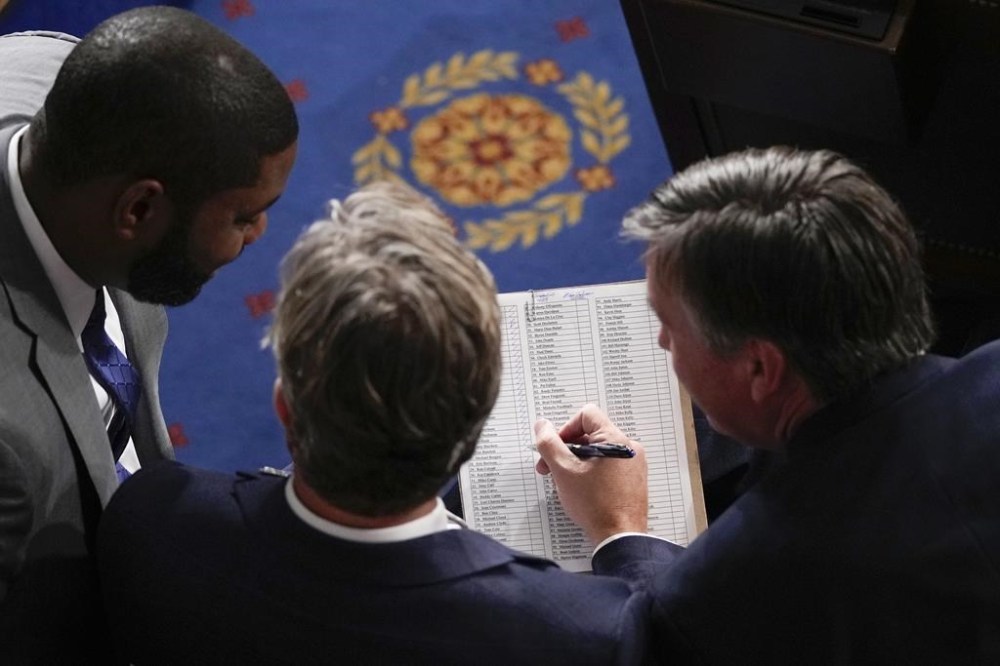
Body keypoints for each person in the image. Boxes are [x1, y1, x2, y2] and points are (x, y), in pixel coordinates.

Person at [97, 181, 655, 665]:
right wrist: (621, 529)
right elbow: (665, 642)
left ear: (285, 408)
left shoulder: (155, 521)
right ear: (479, 421)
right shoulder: (579, 631)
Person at [535, 146, 1000, 663]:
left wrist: (618, 527)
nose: (662, 342)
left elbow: (656, 644)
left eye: (669, 325)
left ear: (760, 368)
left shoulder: (739, 584)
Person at [0, 7, 298, 659]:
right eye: (244, 216)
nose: (259, 237)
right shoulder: (9, 444)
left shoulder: (44, 68)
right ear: (137, 209)